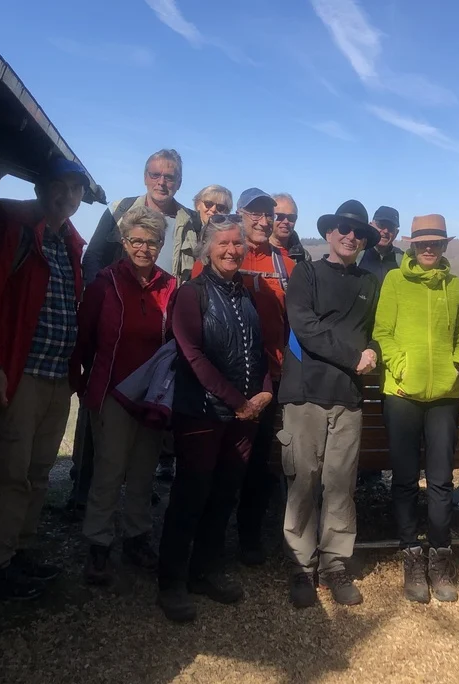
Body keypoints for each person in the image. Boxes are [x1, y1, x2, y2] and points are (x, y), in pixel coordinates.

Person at [0, 157, 88, 600]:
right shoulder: (16, 233)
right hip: (20, 374)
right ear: (41, 189)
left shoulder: (71, 243)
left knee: (37, 472)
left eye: (75, 190)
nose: (67, 196)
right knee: (8, 472)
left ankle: (21, 551)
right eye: (59, 186)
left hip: (57, 377)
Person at [156, 216, 273, 623]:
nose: (231, 250)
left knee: (224, 494)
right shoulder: (192, 295)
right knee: (191, 495)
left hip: (243, 418)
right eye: (223, 243)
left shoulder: (245, 295)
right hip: (202, 413)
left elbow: (257, 349)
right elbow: (193, 356)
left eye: (237, 244)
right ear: (207, 248)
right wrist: (237, 401)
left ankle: (204, 569)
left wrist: (265, 391)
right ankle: (170, 581)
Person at [278, 199, 381, 609]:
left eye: (358, 232)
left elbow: (376, 331)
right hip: (305, 393)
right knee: (303, 481)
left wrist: (372, 350)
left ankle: (336, 564)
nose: (350, 235)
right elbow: (305, 326)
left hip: (349, 398)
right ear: (328, 232)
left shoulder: (370, 283)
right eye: (343, 227)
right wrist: (355, 357)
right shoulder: (306, 273)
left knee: (341, 484)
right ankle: (302, 566)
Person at [70, 206, 177, 586]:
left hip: (151, 394)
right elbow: (83, 338)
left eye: (151, 242)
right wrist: (81, 382)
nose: (143, 248)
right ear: (125, 243)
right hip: (113, 391)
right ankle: (98, 544)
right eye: (136, 241)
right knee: (109, 471)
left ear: (161, 244)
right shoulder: (105, 283)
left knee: (144, 471)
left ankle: (136, 538)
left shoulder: (170, 286)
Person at [373, 214, 459, 604]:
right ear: (412, 246)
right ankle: (411, 554)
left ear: (445, 246)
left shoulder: (455, 285)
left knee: (440, 479)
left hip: (445, 396)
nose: (428, 249)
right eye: (421, 243)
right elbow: (383, 333)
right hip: (401, 394)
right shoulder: (395, 281)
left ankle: (439, 554)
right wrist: (400, 367)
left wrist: (457, 365)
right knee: (402, 478)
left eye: (434, 243)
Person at [230, 188, 292, 565]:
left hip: (271, 378)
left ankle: (249, 538)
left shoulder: (285, 263)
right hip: (227, 378)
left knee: (258, 463)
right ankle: (209, 539)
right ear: (240, 214)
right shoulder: (223, 250)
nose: (263, 220)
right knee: (222, 463)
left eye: (268, 214)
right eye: (255, 213)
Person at [81, 149, 201, 283]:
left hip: (170, 301)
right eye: (155, 175)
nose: (161, 182)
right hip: (119, 300)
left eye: (169, 177)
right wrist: (101, 292)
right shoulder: (118, 210)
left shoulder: (193, 223)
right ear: (145, 177)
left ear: (179, 183)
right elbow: (93, 256)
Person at [357, 205, 402, 279]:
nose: (386, 231)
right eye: (381, 225)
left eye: (390, 227)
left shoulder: (402, 259)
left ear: (396, 233)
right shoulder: (357, 253)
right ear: (370, 226)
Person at [190, 184, 234, 258]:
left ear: (227, 212)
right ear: (198, 205)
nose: (213, 209)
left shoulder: (230, 237)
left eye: (220, 207)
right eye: (208, 204)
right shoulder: (186, 229)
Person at [269, 192, 311, 263]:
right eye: (280, 216)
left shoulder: (303, 257)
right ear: (270, 217)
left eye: (291, 217)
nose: (286, 221)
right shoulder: (256, 251)